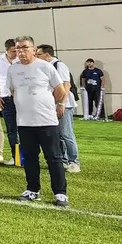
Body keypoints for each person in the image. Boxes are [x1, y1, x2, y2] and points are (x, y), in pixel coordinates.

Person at [7, 35, 70, 207]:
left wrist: (57, 104)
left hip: (47, 121)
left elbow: (60, 89)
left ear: (34, 50)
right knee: (30, 157)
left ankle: (60, 193)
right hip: (25, 122)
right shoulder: (13, 69)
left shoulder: (45, 67)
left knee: (54, 158)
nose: (21, 51)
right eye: (18, 48)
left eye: (25, 47)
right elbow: (13, 91)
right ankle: (33, 190)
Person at [37, 45, 80, 173]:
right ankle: (64, 160)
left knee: (67, 133)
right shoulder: (45, 66)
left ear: (47, 55)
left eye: (39, 54)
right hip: (52, 104)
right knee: (59, 134)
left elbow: (66, 85)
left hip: (63, 104)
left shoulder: (59, 65)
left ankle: (74, 161)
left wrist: (61, 104)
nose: (37, 57)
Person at [0, 38, 19, 165]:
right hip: (6, 98)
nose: (16, 53)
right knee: (11, 129)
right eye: (13, 51)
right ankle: (16, 156)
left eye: (17, 50)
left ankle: (27, 156)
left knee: (25, 128)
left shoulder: (21, 59)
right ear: (6, 50)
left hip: (22, 98)